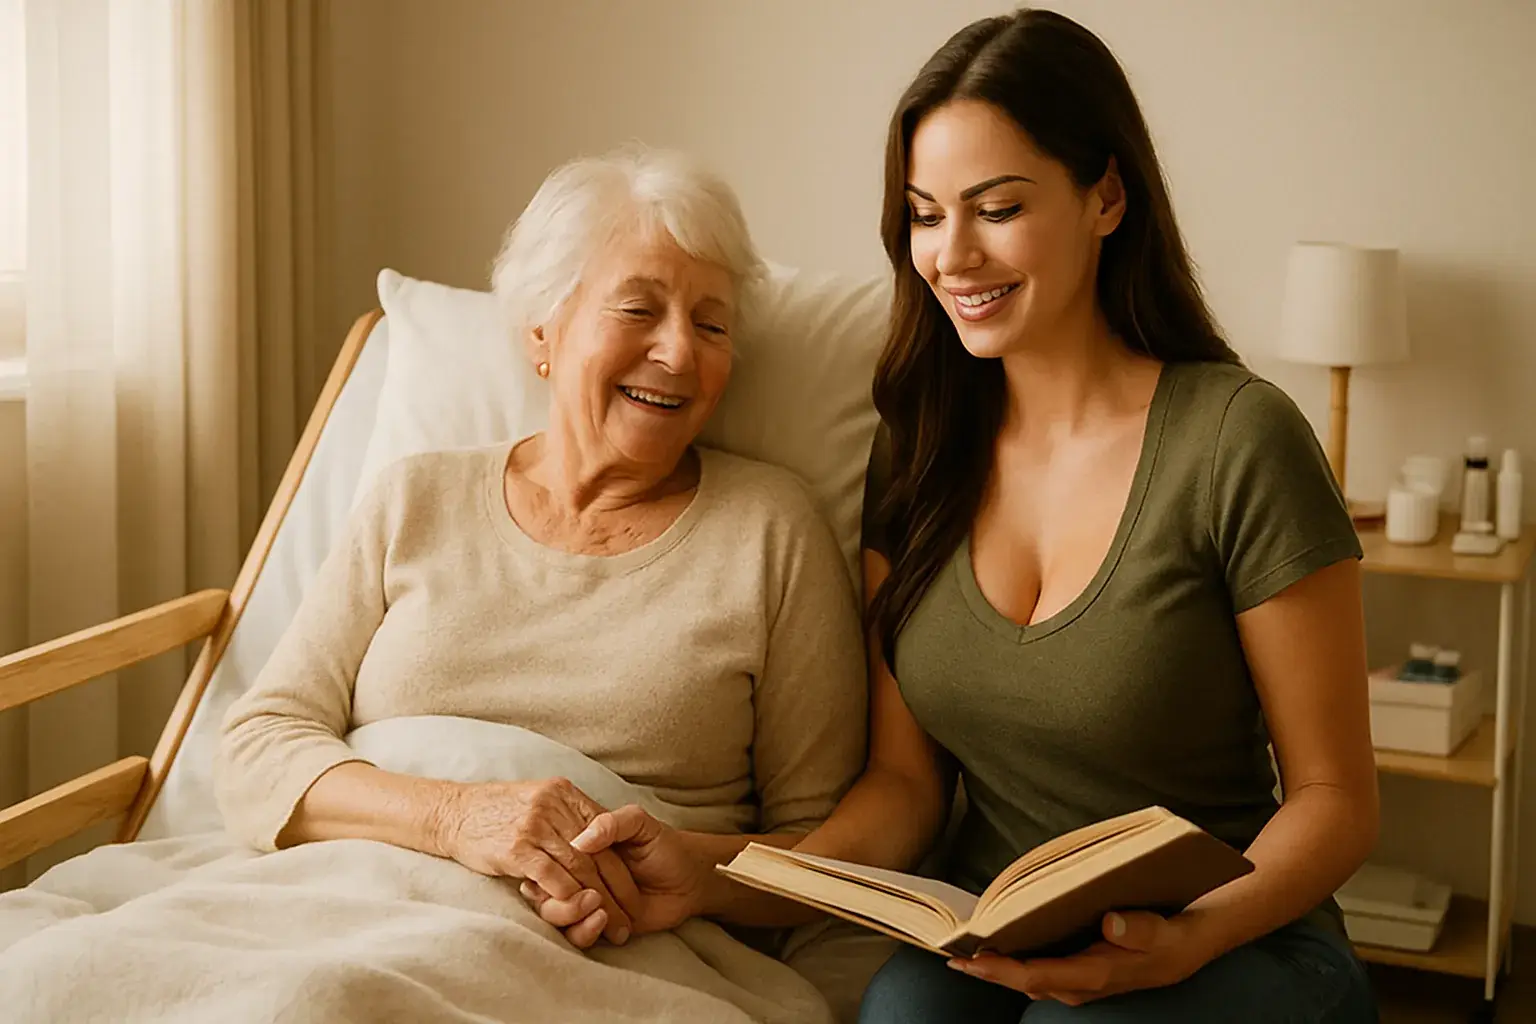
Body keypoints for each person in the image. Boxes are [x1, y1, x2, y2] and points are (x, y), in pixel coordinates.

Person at [522, 9, 1381, 1022]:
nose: (953, 254)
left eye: (997, 207)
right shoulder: (918, 451)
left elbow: (1336, 800)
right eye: (926, 214)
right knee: (899, 1013)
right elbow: (903, 791)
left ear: (1106, 195)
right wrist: (705, 871)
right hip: (996, 930)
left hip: (1239, 936)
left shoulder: (1239, 439)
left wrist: (1186, 940)